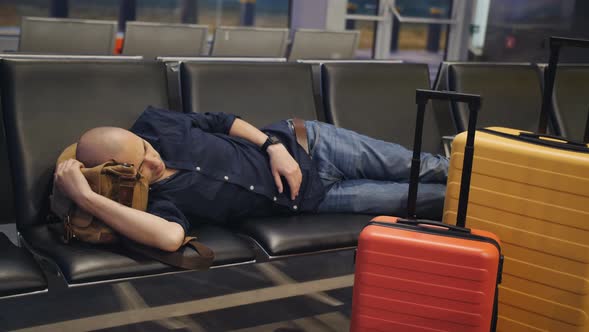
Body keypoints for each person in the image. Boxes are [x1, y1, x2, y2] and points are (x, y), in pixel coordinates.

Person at [54, 106, 448, 252]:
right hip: (317, 197)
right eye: (141, 165)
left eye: (145, 147)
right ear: (120, 176)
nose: (153, 158)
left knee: (431, 167)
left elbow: (222, 121)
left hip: (311, 144)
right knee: (430, 199)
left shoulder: (156, 124)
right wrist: (86, 198)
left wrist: (272, 147)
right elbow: (171, 239)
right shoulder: (154, 205)